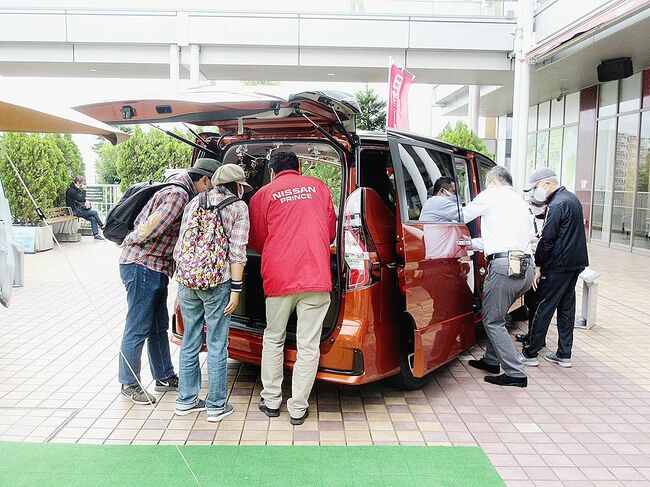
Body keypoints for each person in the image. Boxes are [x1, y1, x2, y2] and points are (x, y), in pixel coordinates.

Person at [118, 158, 220, 405]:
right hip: (143, 265)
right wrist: (130, 241)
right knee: (138, 326)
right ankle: (129, 383)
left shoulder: (177, 189)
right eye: (213, 186)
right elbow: (154, 226)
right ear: (205, 180)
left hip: (152, 267)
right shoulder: (178, 195)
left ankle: (164, 376)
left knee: (157, 325)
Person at [249, 151, 336, 425]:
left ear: (273, 171)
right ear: (299, 167)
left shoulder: (263, 194)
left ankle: (271, 400)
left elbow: (257, 239)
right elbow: (331, 232)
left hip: (279, 278)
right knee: (308, 345)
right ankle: (298, 408)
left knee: (274, 338)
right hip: (316, 275)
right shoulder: (319, 187)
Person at [173, 164, 251, 422]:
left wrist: (182, 279)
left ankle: (186, 400)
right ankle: (216, 405)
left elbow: (181, 244)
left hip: (188, 280)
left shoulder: (195, 202)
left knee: (190, 340)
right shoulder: (238, 207)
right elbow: (238, 252)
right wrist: (236, 290)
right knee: (217, 343)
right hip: (217, 282)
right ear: (238, 185)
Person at [463, 166, 535, 388]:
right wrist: (470, 244)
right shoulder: (520, 203)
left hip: (504, 267)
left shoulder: (493, 194)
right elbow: (503, 238)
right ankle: (492, 361)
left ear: (493, 181)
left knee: (492, 320)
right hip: (525, 267)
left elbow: (462, 215)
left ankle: (515, 373)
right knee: (499, 314)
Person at [520, 168, 589, 368]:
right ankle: (564, 353)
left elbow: (547, 240)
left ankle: (531, 353)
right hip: (575, 263)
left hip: (557, 265)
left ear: (547, 184)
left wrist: (539, 264)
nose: (535, 193)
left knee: (543, 305)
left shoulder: (556, 205)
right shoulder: (572, 199)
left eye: (535, 188)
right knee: (566, 307)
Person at [515, 194, 548, 346]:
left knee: (537, 303)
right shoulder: (528, 218)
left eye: (538, 204)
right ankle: (532, 335)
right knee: (529, 300)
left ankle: (537, 340)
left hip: (541, 266)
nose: (535, 207)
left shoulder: (550, 218)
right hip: (528, 262)